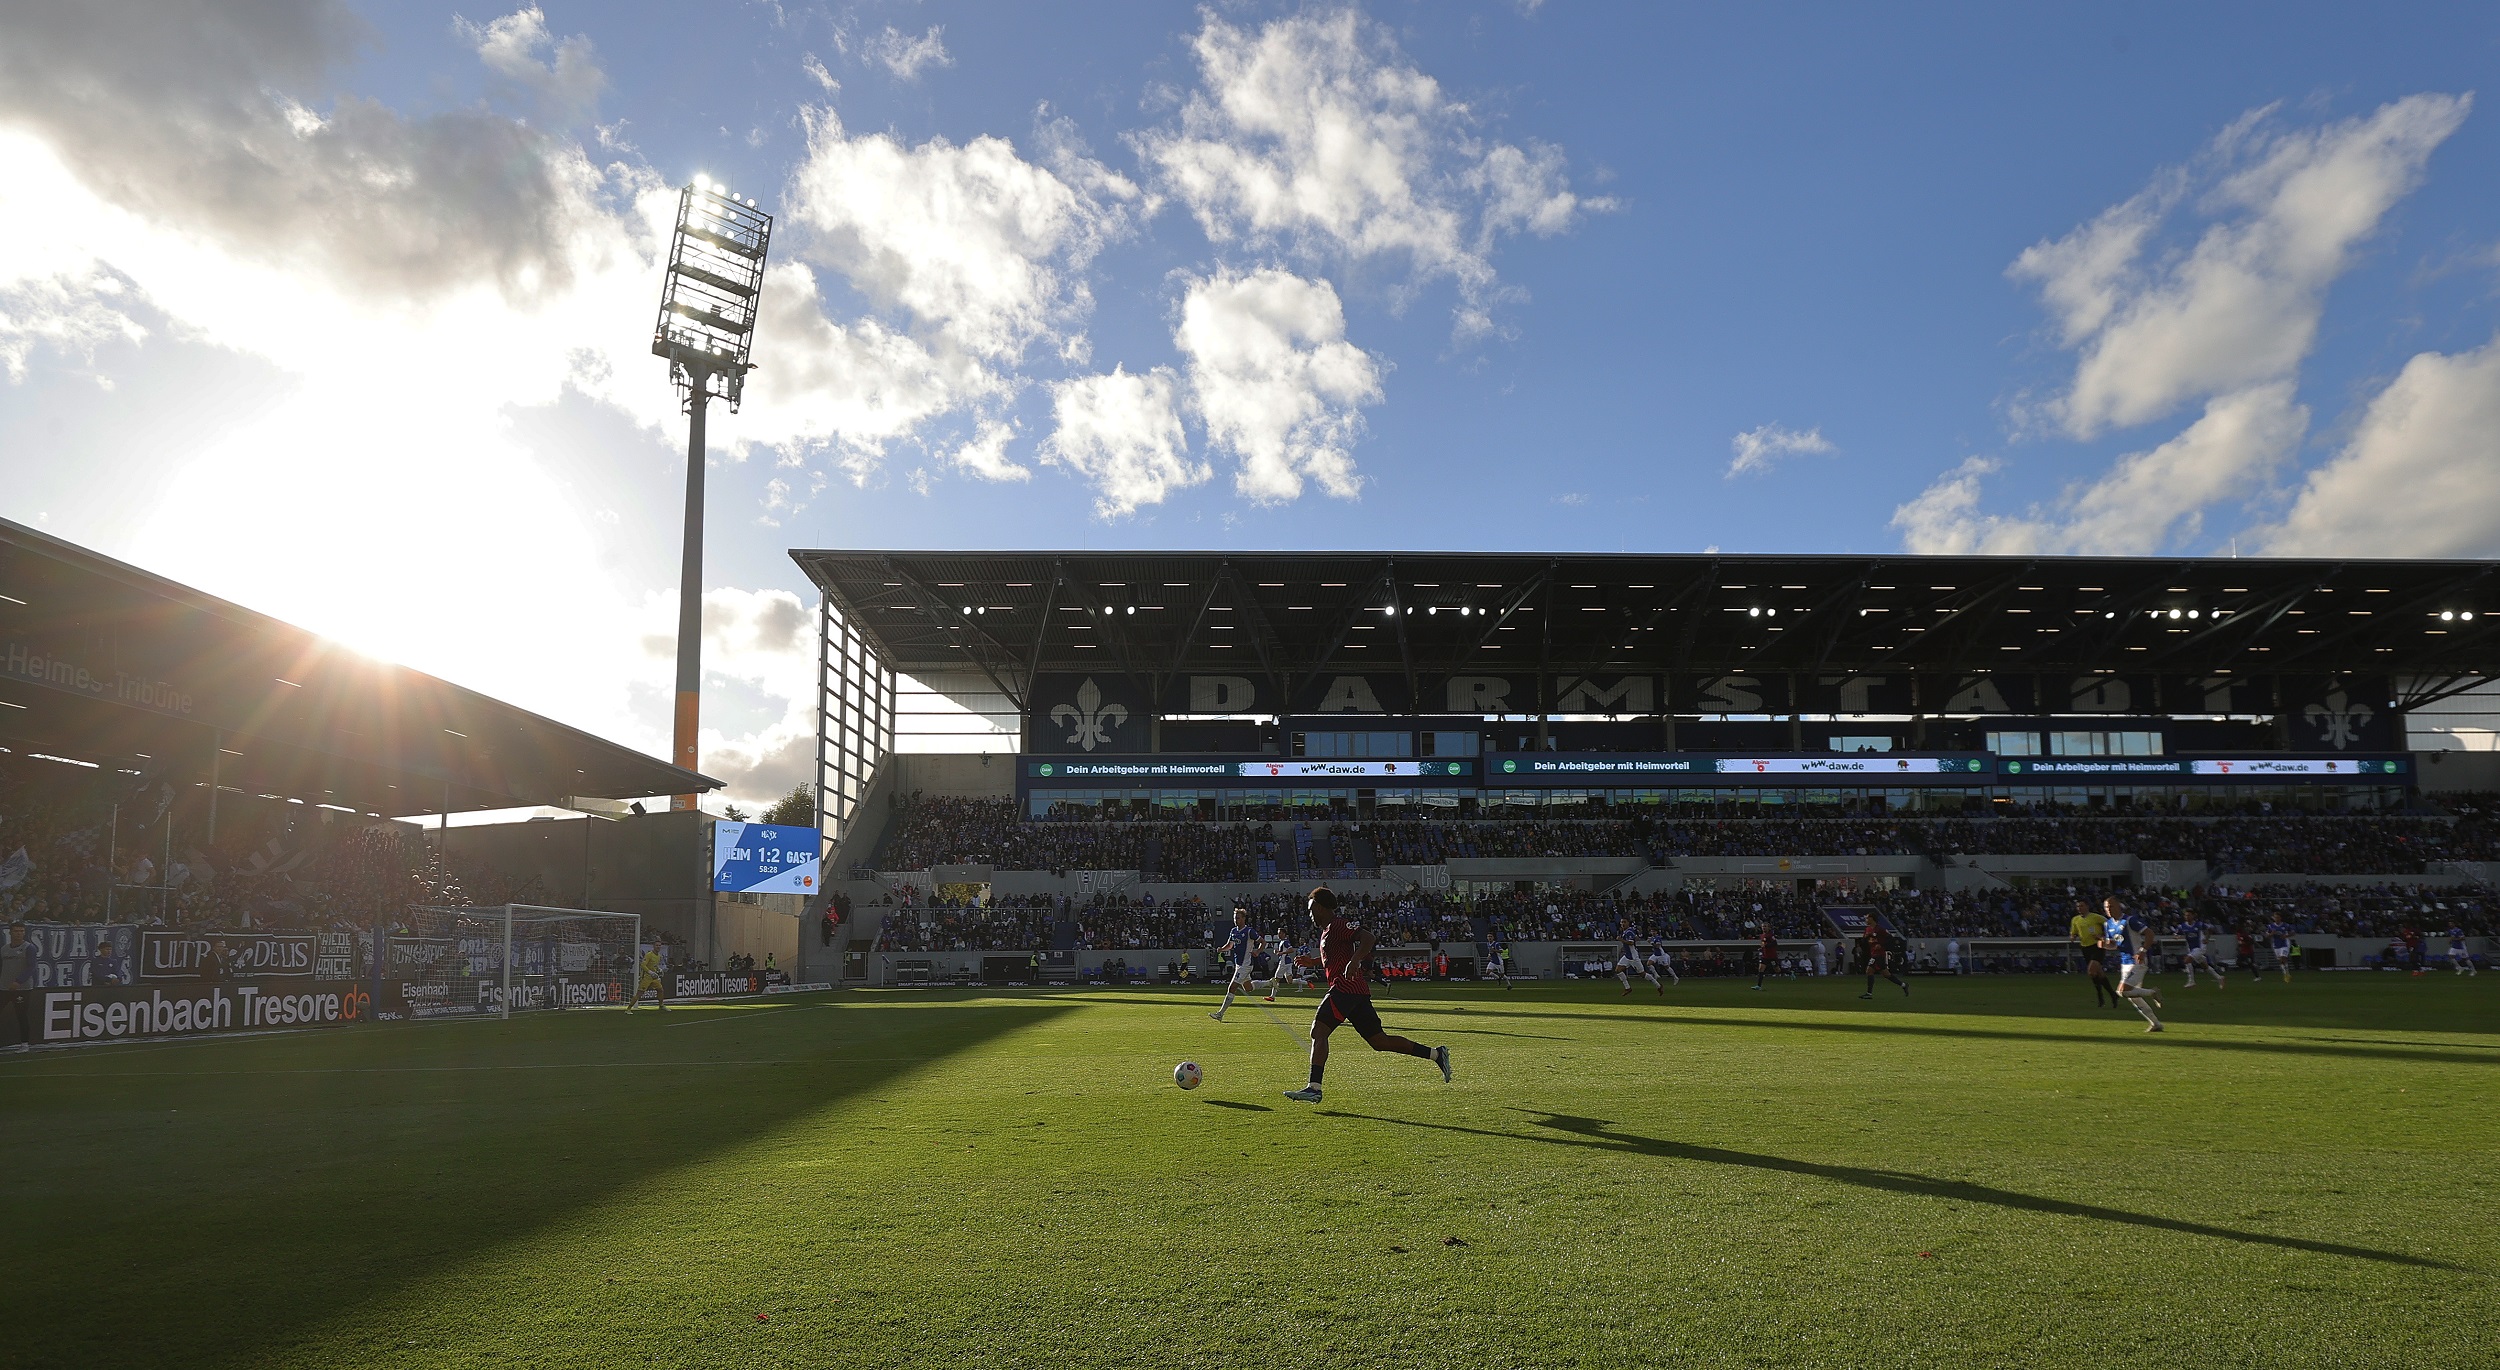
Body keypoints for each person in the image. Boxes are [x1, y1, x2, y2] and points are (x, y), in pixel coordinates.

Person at [1283, 887, 1450, 1104]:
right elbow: (1336, 956)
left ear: (1322, 907)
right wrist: (1313, 962)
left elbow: (1368, 938)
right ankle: (1436, 1055)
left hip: (1345, 988)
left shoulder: (1339, 924)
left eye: (1312, 909)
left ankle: (1314, 1088)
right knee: (1379, 1041)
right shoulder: (1327, 931)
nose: (1310, 914)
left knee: (1318, 1030)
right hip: (1355, 991)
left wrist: (1355, 961)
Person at [2103, 896, 2164, 1033]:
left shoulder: (2130, 920)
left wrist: (2143, 950)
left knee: (2122, 991)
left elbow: (2150, 933)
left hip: (2138, 961)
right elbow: (2114, 945)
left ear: (2119, 906)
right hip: (2125, 963)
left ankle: (2152, 992)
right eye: (2106, 907)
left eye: (2111, 906)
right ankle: (2156, 1024)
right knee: (2133, 997)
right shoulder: (2108, 925)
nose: (2108, 909)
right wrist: (2105, 945)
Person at [1209, 907, 1257, 1021]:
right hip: (1239, 964)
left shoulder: (1249, 931)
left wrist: (1258, 951)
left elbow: (1262, 941)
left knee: (1232, 988)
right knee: (1248, 988)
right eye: (1235, 918)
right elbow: (1229, 945)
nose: (1236, 920)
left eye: (1238, 918)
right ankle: (1270, 983)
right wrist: (1221, 949)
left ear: (1244, 919)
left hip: (1246, 964)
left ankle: (1220, 1014)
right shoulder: (1233, 931)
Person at [2071, 899, 2115, 1008]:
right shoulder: (2075, 920)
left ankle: (2100, 996)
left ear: (2087, 906)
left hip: (2097, 946)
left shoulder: (2096, 917)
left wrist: (2103, 937)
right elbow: (2074, 932)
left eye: (2081, 905)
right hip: (2085, 947)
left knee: (2091, 971)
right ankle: (2112, 995)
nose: (2079, 908)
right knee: (2097, 973)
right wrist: (2073, 936)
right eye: (2078, 906)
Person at [1858, 918, 1908, 1000]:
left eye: (1868, 918)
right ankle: (1904, 985)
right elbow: (1865, 940)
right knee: (1886, 974)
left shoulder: (1880, 929)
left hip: (1879, 954)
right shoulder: (1868, 929)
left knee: (1869, 971)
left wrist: (1881, 944)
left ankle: (1869, 993)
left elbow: (1890, 938)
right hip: (1873, 953)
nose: (1866, 920)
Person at [1614, 922, 1664, 997]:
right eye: (1621, 922)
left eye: (1624, 922)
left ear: (1628, 923)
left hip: (1633, 957)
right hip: (1627, 956)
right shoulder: (1627, 931)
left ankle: (1658, 986)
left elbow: (1631, 943)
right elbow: (1636, 938)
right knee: (1618, 970)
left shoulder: (1629, 932)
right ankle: (1628, 988)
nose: (1622, 924)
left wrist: (1621, 939)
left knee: (1643, 974)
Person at [2178, 914, 2225, 989]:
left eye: (2189, 915)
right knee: (2204, 966)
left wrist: (2207, 938)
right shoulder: (2182, 926)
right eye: (2186, 915)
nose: (2187, 917)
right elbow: (2177, 934)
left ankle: (2191, 981)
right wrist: (2177, 936)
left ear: (2193, 916)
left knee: (2187, 960)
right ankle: (2219, 978)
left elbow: (2210, 928)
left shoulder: (2199, 924)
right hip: (2191, 949)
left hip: (2200, 947)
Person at [626, 943, 667, 1012]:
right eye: (657, 945)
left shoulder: (659, 956)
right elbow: (643, 965)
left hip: (654, 977)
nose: (658, 947)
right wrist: (650, 972)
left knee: (660, 990)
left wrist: (659, 969)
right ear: (654, 946)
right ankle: (628, 1009)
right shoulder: (649, 955)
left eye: (659, 945)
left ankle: (661, 1005)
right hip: (646, 977)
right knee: (639, 993)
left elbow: (655, 965)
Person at [2265, 917, 2296, 985]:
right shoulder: (2271, 926)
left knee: (2283, 958)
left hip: (2285, 944)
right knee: (2280, 960)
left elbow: (2293, 933)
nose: (2276, 919)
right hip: (2276, 945)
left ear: (2280, 918)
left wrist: (2286, 936)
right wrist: (2271, 934)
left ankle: (2286, 974)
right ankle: (2285, 973)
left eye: (2277, 917)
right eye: (2275, 918)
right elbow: (2266, 936)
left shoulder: (2286, 925)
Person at [1753, 926, 1779, 991]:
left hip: (1772, 956)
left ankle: (1790, 972)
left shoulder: (1771, 935)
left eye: (1765, 926)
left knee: (1777, 970)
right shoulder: (1761, 935)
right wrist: (1761, 948)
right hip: (1765, 956)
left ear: (1768, 928)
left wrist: (1766, 946)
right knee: (1760, 969)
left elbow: (1775, 943)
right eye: (1763, 926)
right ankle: (1759, 986)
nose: (1764, 928)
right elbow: (1762, 944)